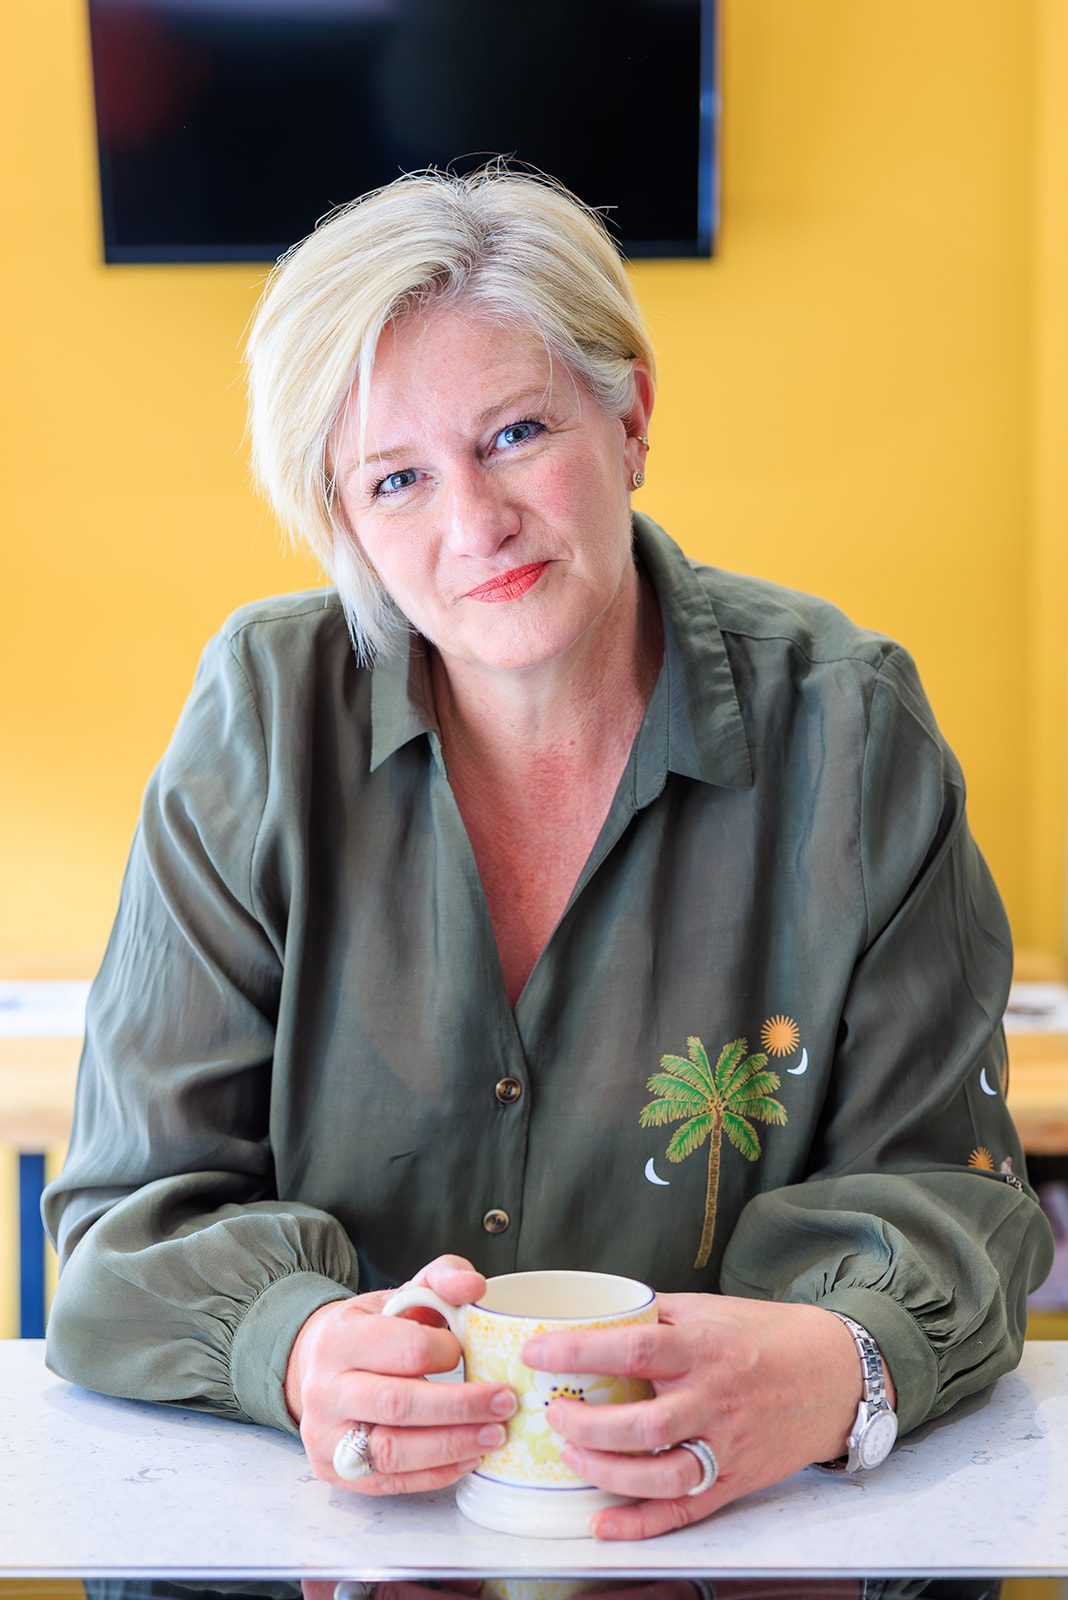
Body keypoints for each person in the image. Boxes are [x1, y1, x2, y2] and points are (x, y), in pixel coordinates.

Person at [43, 165, 1053, 1542]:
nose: (474, 525)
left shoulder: (850, 725)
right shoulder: (263, 719)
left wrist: (840, 1368)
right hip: (317, 1548)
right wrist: (291, 1347)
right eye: (396, 480)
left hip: (755, 1542)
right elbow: (117, 1227)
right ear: (345, 526)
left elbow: (962, 1198)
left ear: (628, 414)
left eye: (516, 433)